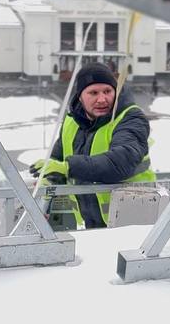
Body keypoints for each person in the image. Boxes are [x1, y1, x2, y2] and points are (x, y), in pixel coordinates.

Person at [30, 62, 154, 230]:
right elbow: (57, 161)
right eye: (93, 93)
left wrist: (67, 167)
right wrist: (45, 185)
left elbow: (121, 162)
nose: (102, 99)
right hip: (92, 224)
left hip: (134, 224)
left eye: (108, 91)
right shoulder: (71, 122)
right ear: (80, 96)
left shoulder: (130, 118)